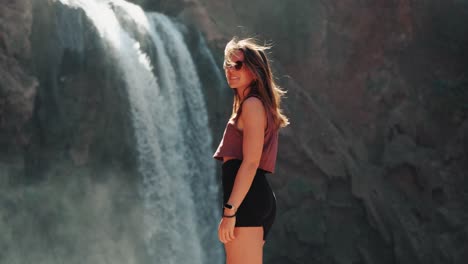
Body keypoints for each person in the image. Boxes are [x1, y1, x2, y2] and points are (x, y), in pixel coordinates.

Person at [213, 37, 289, 264]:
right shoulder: (251, 104)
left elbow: (250, 162)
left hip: (247, 201)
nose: (231, 70)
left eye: (238, 65)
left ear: (255, 72)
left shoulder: (252, 105)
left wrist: (229, 212)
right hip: (251, 199)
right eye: (228, 64)